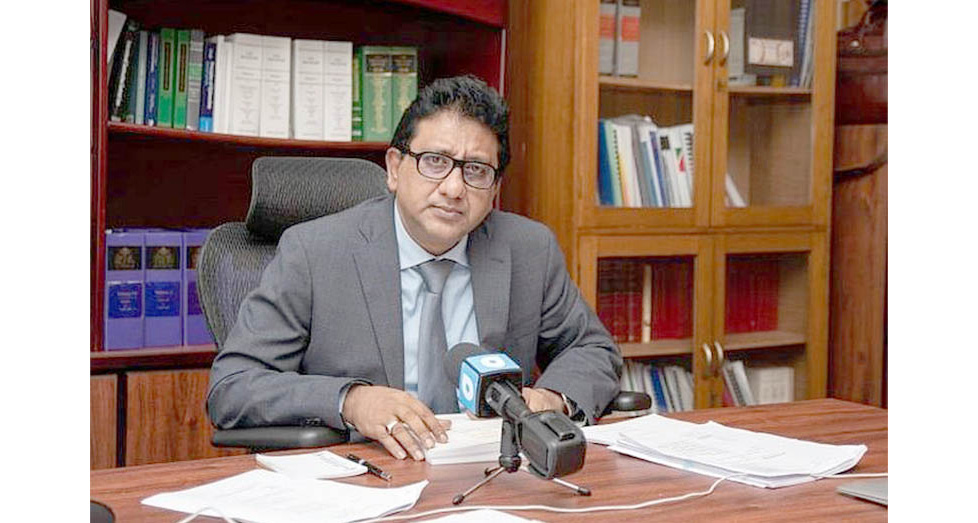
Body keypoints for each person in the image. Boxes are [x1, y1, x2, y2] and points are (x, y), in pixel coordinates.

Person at [207, 75, 622, 461]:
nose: (454, 188)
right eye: (435, 161)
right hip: (370, 475)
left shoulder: (528, 249)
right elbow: (232, 386)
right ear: (394, 168)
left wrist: (551, 398)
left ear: (495, 188)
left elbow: (592, 349)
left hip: (492, 471)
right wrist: (351, 401)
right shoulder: (314, 252)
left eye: (476, 170)